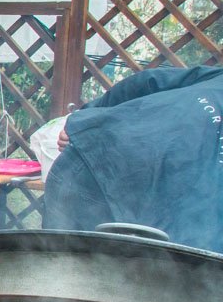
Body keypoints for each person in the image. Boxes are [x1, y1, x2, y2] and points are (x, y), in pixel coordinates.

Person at [45, 65, 223, 252]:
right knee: (67, 269)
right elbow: (150, 79)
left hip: (89, 158)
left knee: (59, 268)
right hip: (94, 162)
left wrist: (86, 117)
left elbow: (148, 79)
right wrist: (85, 120)